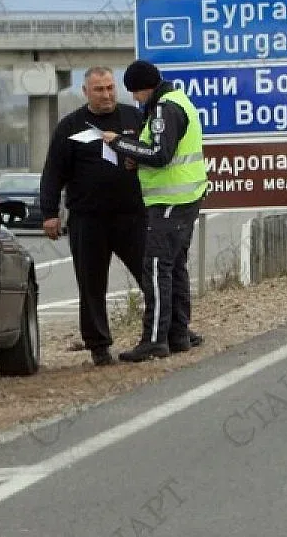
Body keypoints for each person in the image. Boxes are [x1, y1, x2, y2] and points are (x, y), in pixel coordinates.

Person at [101, 59, 209, 362]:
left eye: (135, 93)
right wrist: (137, 153)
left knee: (158, 266)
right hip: (185, 197)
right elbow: (158, 150)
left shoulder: (164, 109)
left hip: (170, 202)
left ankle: (154, 340)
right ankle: (178, 334)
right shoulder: (177, 101)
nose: (134, 99)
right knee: (175, 266)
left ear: (143, 87)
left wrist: (120, 143)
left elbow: (160, 155)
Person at [39, 66, 146, 367]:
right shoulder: (70, 126)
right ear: (86, 92)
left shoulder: (134, 118)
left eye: (110, 87)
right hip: (88, 218)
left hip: (132, 215)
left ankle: (160, 333)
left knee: (151, 276)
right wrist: (49, 213)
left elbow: (155, 154)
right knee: (91, 286)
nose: (106, 94)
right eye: (99, 89)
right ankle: (99, 346)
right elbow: (53, 173)